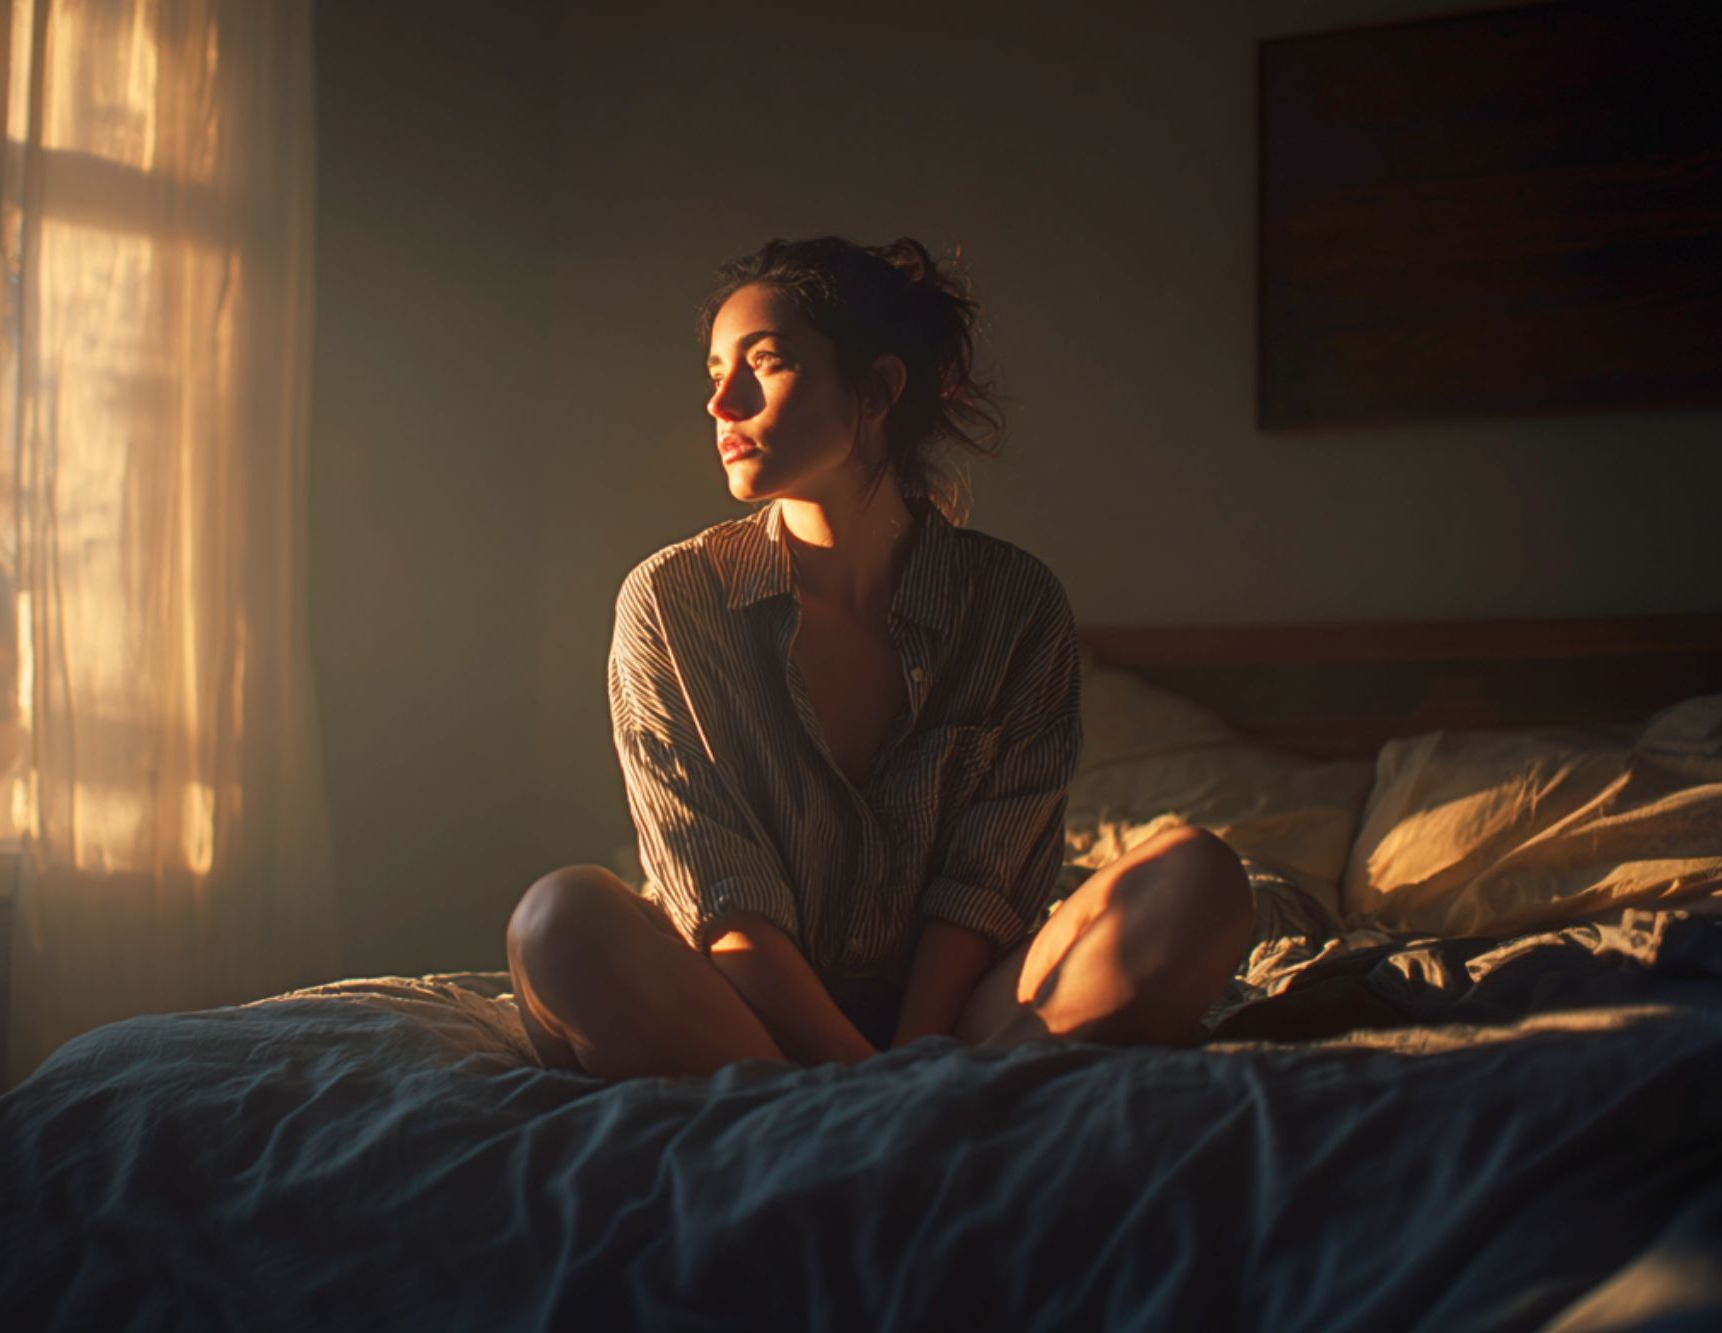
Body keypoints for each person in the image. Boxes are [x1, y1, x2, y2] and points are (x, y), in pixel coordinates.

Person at [506, 235, 1254, 1081]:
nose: (721, 403)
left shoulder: (1015, 605)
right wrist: (863, 1073)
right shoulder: (673, 599)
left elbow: (982, 888)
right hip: (742, 1009)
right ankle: (908, 1114)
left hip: (958, 1019)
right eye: (715, 370)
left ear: (875, 390)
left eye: (766, 362)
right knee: (557, 918)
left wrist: (913, 1062)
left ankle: (906, 1109)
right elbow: (720, 893)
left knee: (1200, 875)